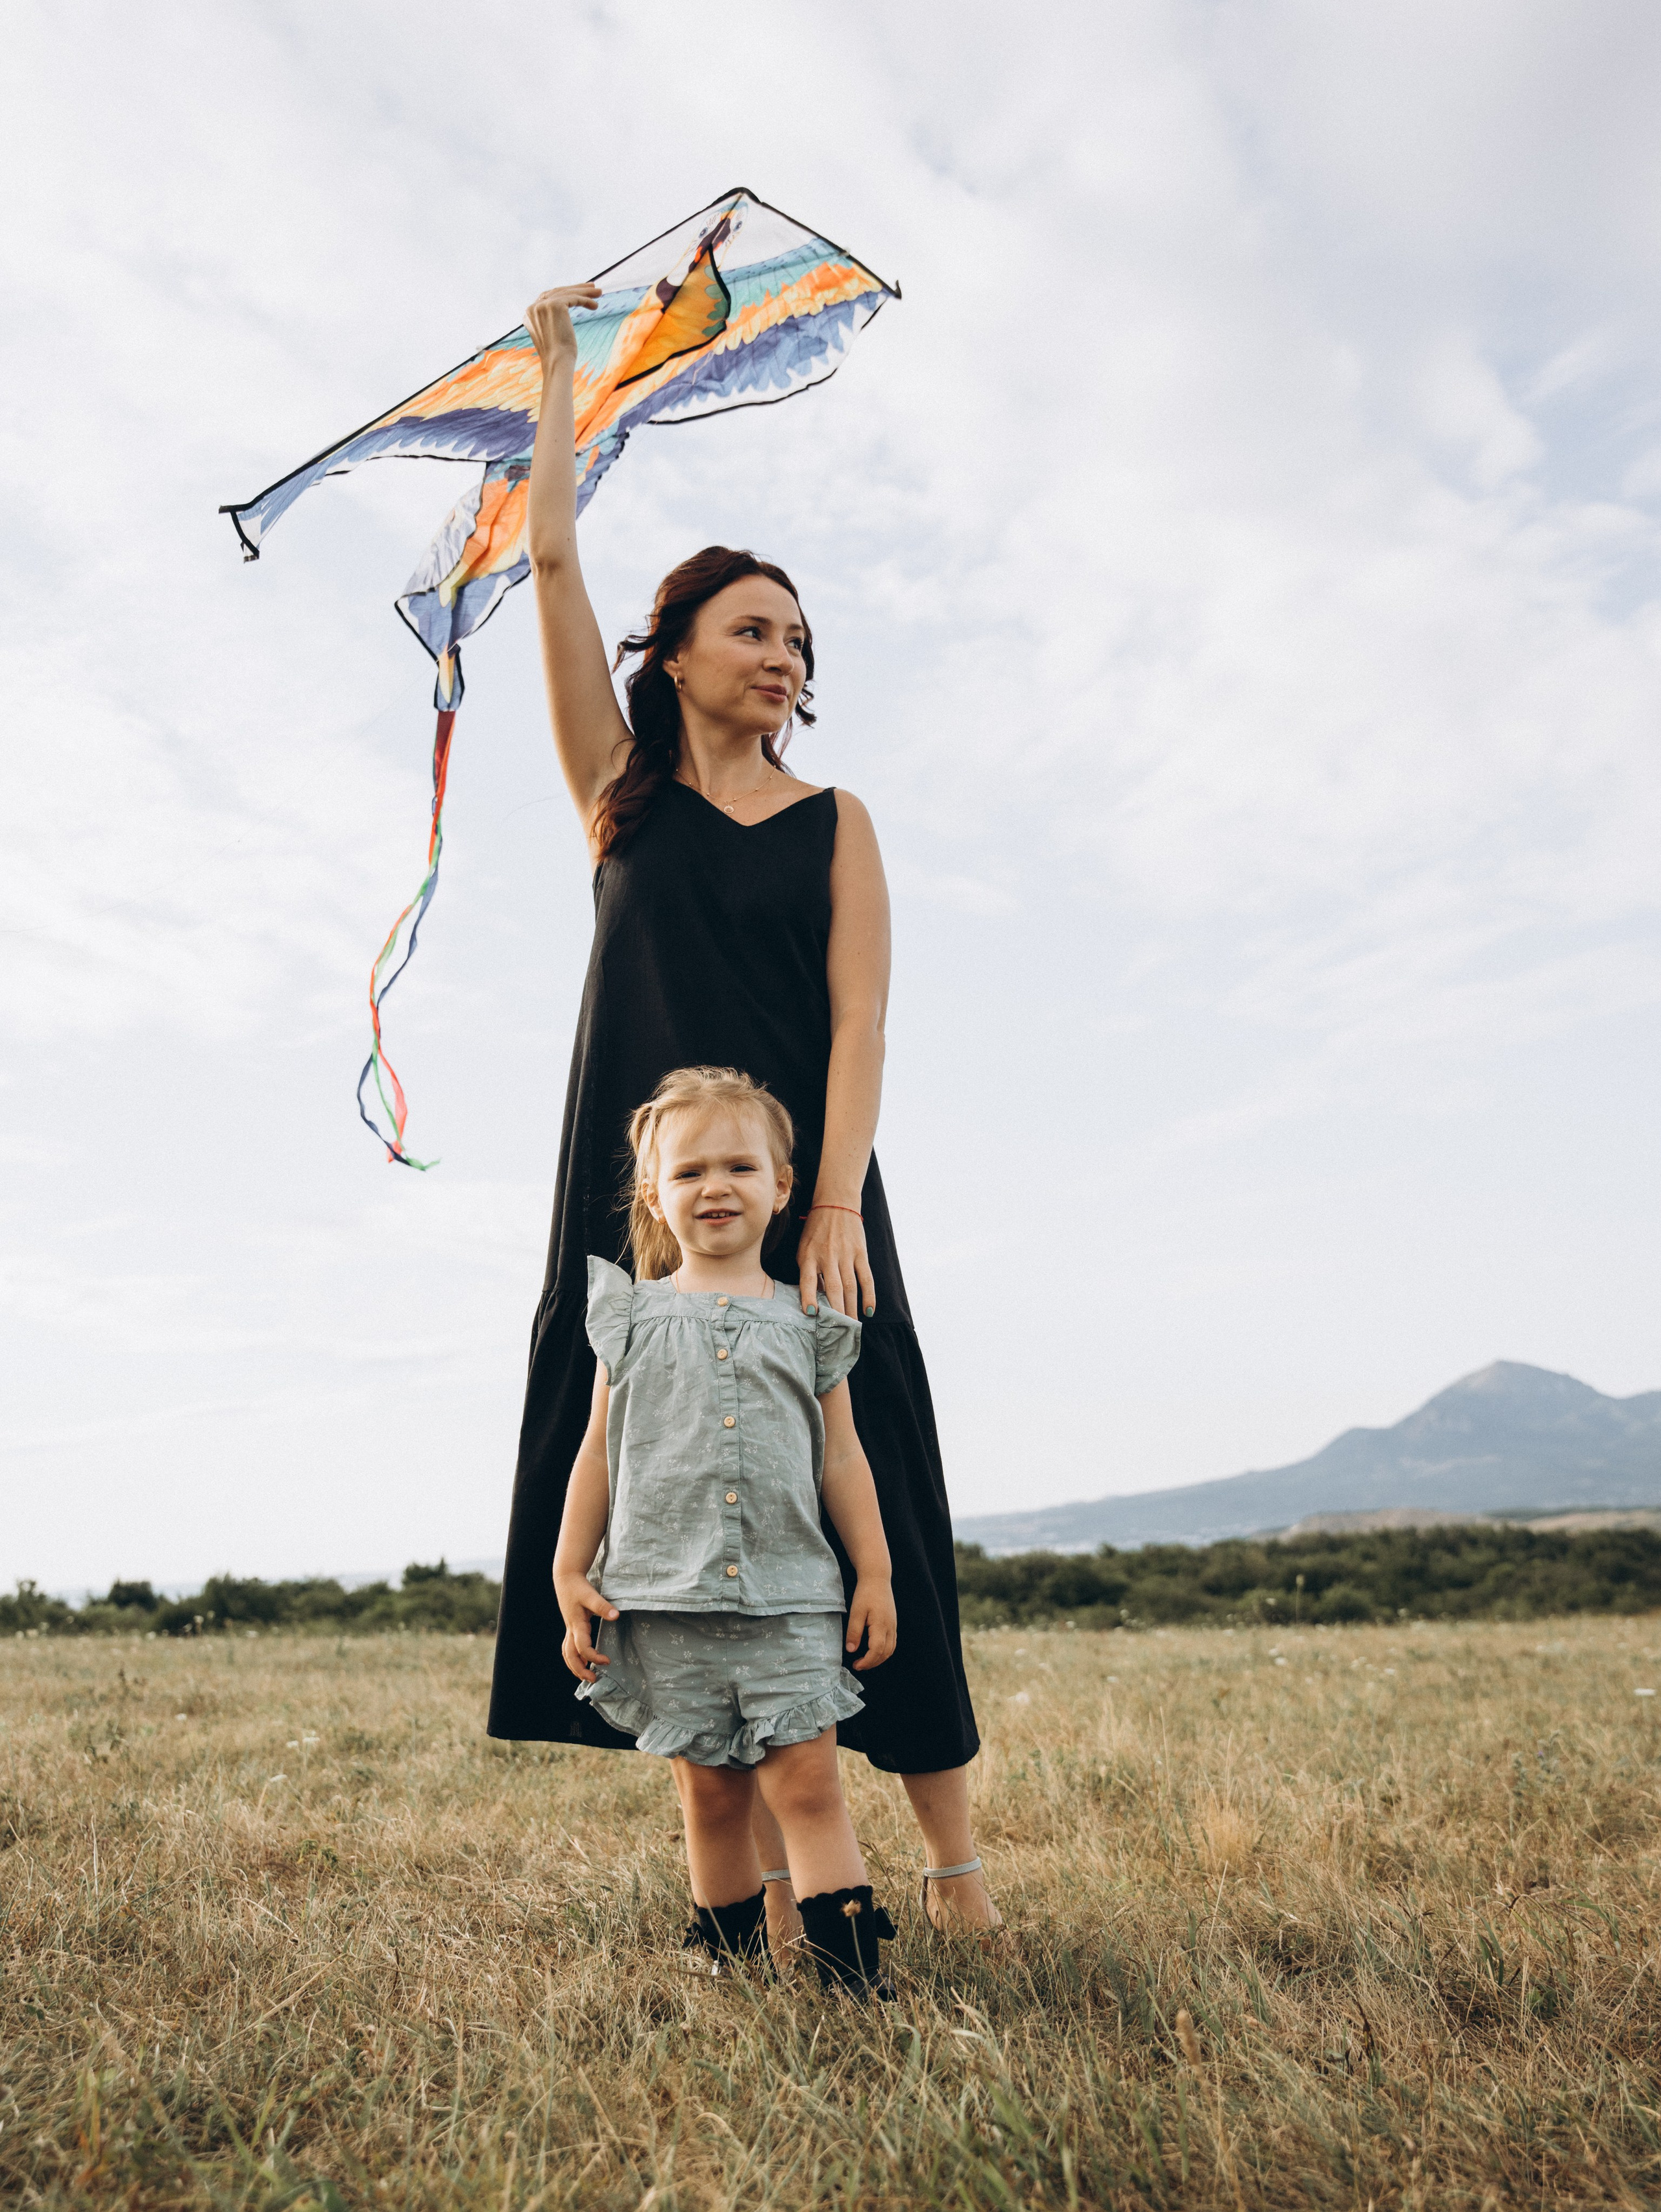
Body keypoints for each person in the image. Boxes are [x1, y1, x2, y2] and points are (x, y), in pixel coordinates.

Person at [486, 278, 1002, 1943]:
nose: (783, 656)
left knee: (877, 1494)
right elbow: (550, 565)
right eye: (754, 629)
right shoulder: (612, 799)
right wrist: (561, 394)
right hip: (631, 1201)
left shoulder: (837, 818)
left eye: (798, 638)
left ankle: (953, 1865)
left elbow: (860, 1016)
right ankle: (762, 1870)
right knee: (651, 1487)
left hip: (811, 1196)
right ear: (681, 650)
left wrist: (833, 1200)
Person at [555, 1065, 899, 1993]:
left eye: (740, 1166)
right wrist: (568, 1570)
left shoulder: (809, 1320)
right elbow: (597, 1453)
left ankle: (853, 1979)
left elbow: (843, 1458)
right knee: (709, 1795)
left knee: (810, 1787)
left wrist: (875, 1574)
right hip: (661, 1602)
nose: (716, 1187)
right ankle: (732, 1967)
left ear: (782, 1187)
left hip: (791, 1599)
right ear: (655, 1197)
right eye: (690, 1171)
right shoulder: (628, 1317)